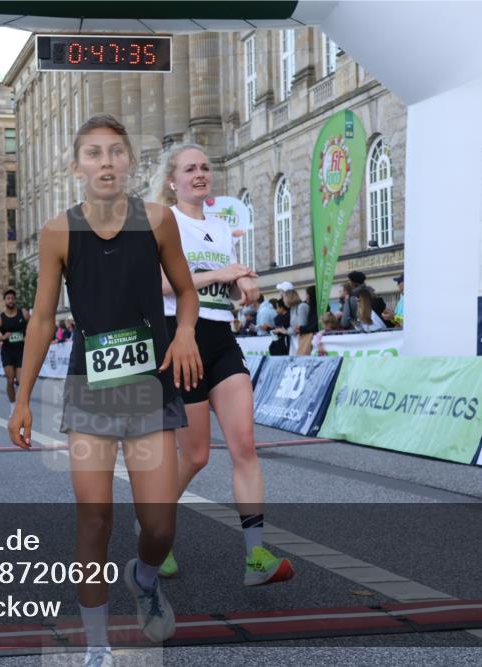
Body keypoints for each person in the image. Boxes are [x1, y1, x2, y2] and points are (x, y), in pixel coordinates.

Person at [8, 115, 203, 663]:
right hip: (90, 390)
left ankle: (144, 579)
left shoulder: (160, 222)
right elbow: (43, 319)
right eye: (93, 154)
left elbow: (186, 293)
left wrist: (186, 330)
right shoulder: (57, 232)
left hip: (148, 386)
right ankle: (96, 644)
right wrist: (22, 399)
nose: (106, 162)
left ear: (130, 163)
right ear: (77, 167)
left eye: (116, 152)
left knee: (158, 524)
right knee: (94, 517)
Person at [149, 142, 294, 586]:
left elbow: (229, 291)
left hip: (221, 338)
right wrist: (220, 275)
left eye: (205, 167)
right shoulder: (163, 221)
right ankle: (156, 534)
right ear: (172, 180)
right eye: (190, 169)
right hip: (180, 338)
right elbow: (159, 284)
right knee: (193, 455)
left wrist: (245, 283)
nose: (200, 174)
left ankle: (256, 558)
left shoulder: (218, 226)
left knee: (245, 445)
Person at [0, 288, 29, 408]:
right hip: (7, 352)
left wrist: (27, 336)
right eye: (8, 298)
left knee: (21, 381)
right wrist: (3, 338)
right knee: (10, 380)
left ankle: (21, 406)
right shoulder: (0, 318)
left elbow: (33, 326)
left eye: (12, 298)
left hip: (21, 352)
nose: (11, 300)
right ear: (5, 301)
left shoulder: (23, 313)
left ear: (15, 300)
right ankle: (13, 407)